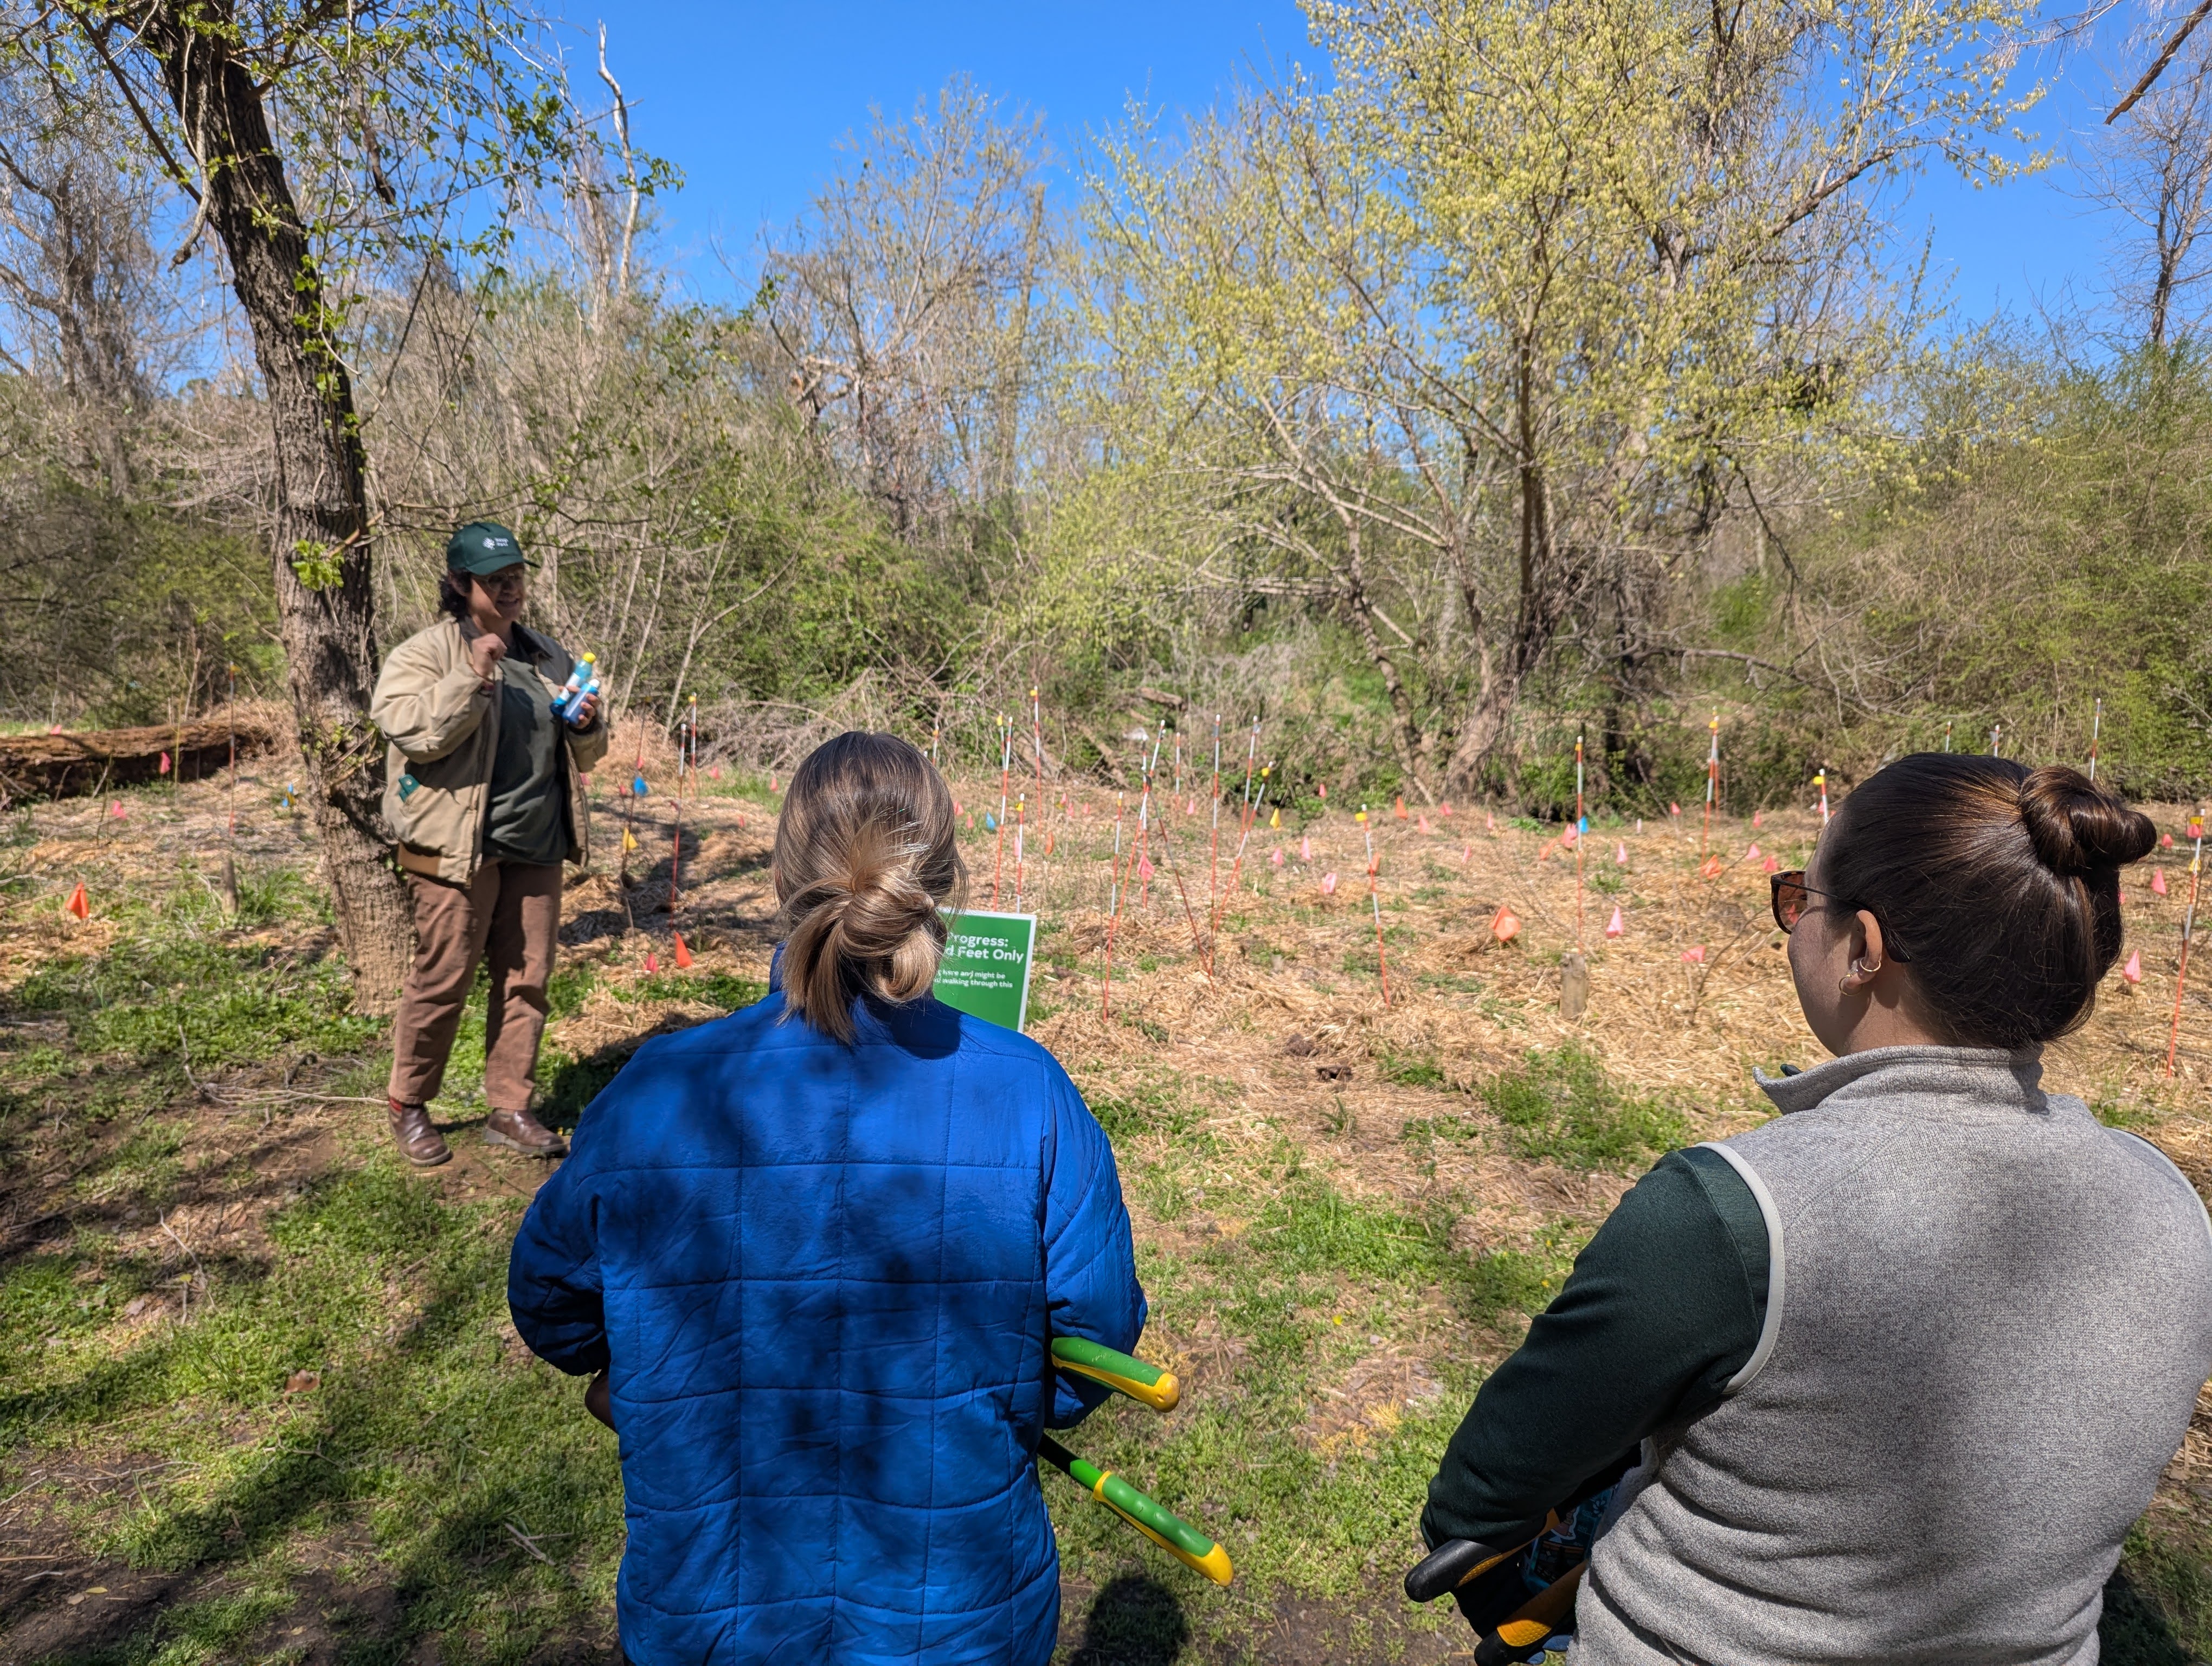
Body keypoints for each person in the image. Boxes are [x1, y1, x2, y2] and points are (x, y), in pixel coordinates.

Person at [1420, 755, 2212, 1663]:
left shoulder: (1729, 1216)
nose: (1792, 917)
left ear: (1864, 948)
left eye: (1802, 896)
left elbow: (1484, 1494)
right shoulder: (2172, 1203)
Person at [506, 731, 1146, 1665]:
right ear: (943, 880)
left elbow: (552, 1308)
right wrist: (983, 1398)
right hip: (960, 1620)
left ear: (781, 877)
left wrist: (661, 1367)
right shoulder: (1031, 1092)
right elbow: (1096, 1343)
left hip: (712, 1617)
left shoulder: (656, 1089)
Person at [369, 521, 607, 1166]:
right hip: (453, 848)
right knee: (442, 977)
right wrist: (472, 676)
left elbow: (588, 753)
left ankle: (510, 1107)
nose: (510, 590)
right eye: (494, 580)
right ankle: (409, 1103)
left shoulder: (547, 655)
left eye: (516, 577)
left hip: (537, 840)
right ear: (459, 583)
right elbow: (414, 734)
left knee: (527, 981)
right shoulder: (425, 654)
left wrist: (588, 725)